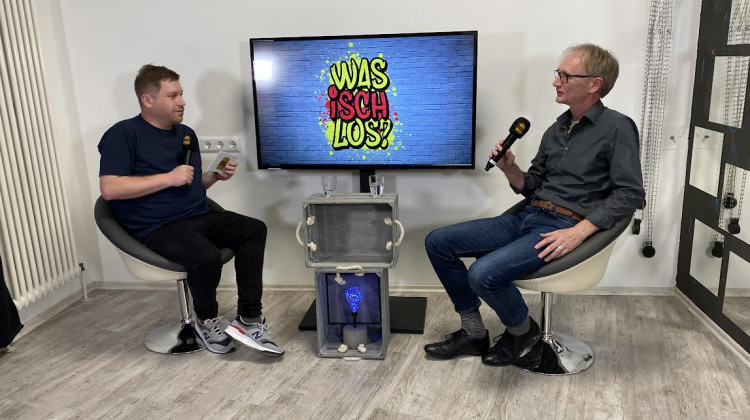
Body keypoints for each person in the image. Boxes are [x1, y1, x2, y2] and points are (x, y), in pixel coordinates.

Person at [424, 44, 644, 366]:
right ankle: (473, 333)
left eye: (565, 76)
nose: (556, 82)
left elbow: (630, 194)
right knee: (438, 242)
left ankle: (522, 332)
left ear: (594, 84)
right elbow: (533, 186)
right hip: (528, 218)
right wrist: (510, 168)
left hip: (562, 227)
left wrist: (580, 232)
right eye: (558, 74)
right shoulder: (556, 130)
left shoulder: (617, 127)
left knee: (483, 274)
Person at [98, 64, 284, 357]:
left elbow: (190, 186)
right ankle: (206, 321)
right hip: (157, 227)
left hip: (199, 215)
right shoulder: (123, 134)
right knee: (206, 255)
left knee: (253, 229)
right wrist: (168, 178)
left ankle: (249, 319)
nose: (182, 102)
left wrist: (213, 177)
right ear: (148, 100)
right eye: (173, 96)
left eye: (181, 94)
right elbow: (110, 189)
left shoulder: (186, 134)